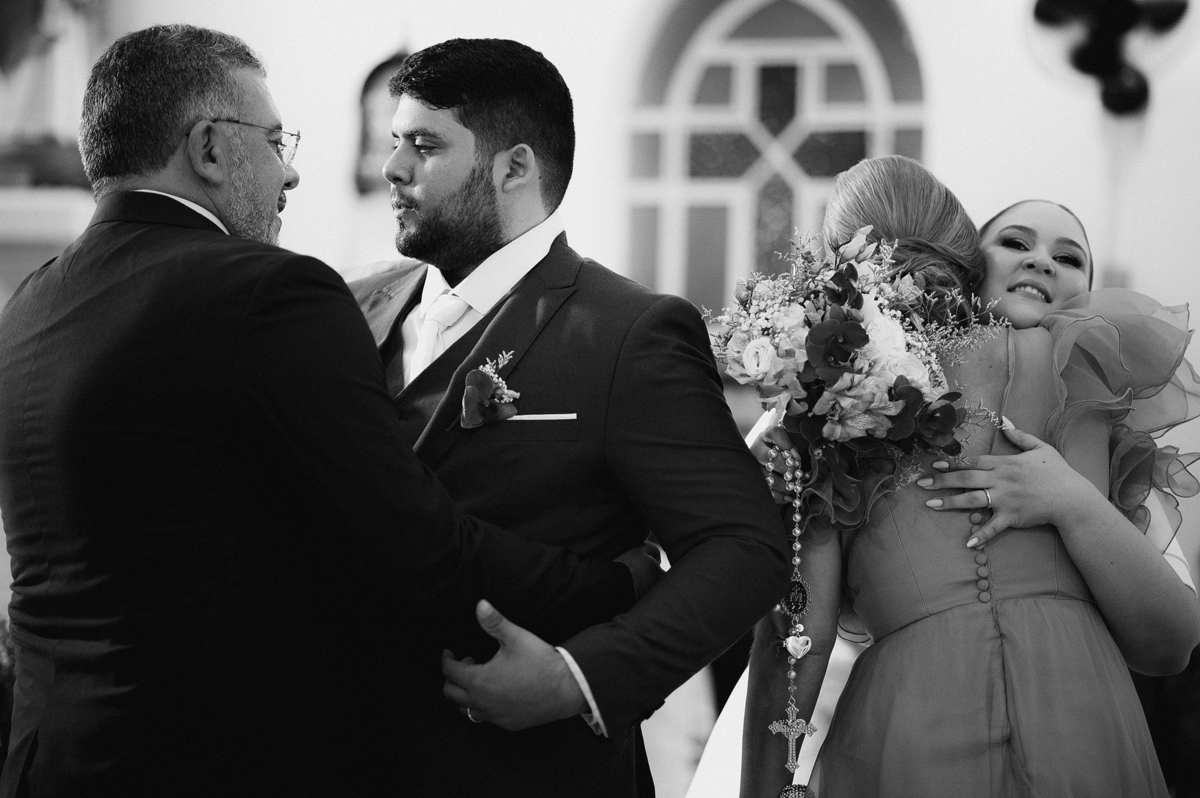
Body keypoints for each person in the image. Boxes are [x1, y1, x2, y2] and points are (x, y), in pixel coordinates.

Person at [0, 25, 661, 797]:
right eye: (274, 142)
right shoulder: (264, 291)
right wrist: (616, 584)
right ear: (209, 148)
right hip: (208, 761)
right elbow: (416, 547)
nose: (290, 172)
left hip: (47, 760)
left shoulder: (28, 306)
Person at [348, 37, 790, 797]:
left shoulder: (628, 332)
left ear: (515, 166)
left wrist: (575, 678)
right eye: (394, 142)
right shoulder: (352, 305)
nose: (391, 167)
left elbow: (745, 549)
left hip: (528, 770)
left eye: (424, 145)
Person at [737, 156, 1200, 797]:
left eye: (1070, 257)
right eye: (1015, 242)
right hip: (1004, 724)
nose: (1042, 262)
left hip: (962, 724)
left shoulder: (825, 399)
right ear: (968, 263)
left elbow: (1173, 641)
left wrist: (1072, 500)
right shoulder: (840, 395)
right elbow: (801, 635)